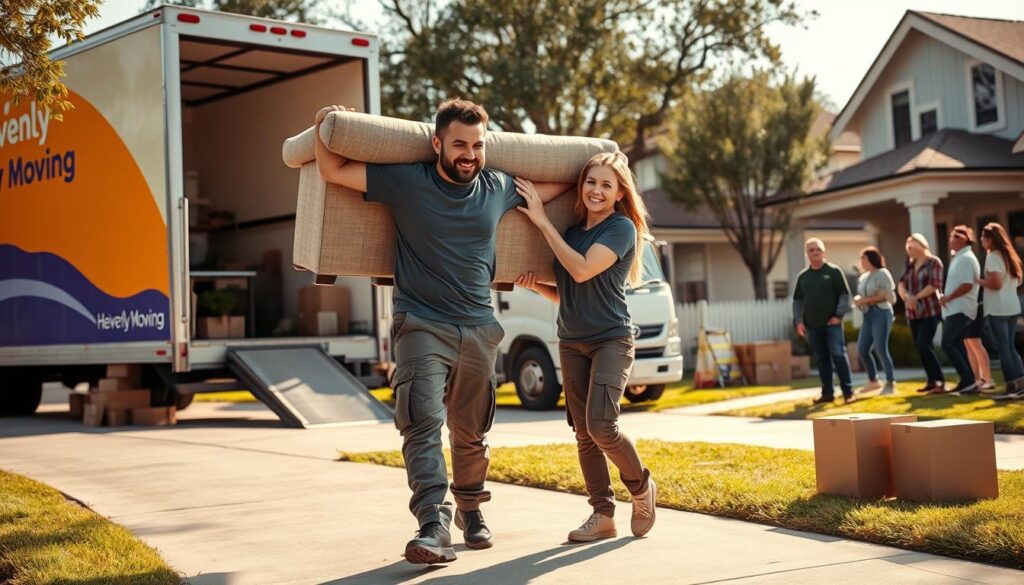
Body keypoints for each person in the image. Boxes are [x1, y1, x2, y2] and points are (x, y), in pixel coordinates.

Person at [314, 100, 568, 564]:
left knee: (471, 433)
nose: (470, 154)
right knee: (421, 423)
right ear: (437, 144)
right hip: (421, 323)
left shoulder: (498, 187)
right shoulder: (407, 181)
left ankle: (471, 510)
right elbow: (332, 169)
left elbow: (558, 182)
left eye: (477, 145)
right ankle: (434, 523)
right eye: (459, 145)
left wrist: (583, 177)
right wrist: (324, 124)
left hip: (479, 327)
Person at [514, 152, 657, 543]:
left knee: (601, 426)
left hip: (612, 338)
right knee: (582, 432)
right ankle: (603, 514)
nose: (596, 190)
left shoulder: (621, 228)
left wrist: (541, 219)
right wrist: (535, 286)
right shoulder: (573, 233)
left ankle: (641, 487)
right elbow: (571, 292)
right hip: (571, 341)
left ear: (618, 193)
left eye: (606, 184)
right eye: (591, 182)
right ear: (582, 187)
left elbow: (581, 269)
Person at [793, 238, 855, 405]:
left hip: (832, 324)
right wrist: (798, 321)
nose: (815, 252)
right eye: (811, 250)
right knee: (821, 359)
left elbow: (844, 294)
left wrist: (838, 315)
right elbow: (797, 300)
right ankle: (827, 393)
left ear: (823, 251)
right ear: (807, 254)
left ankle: (848, 392)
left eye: (818, 249)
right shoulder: (803, 276)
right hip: (812, 325)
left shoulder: (834, 271)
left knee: (838, 356)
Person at [977, 222, 1024, 399]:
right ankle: (1020, 384)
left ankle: (1011, 385)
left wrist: (978, 281)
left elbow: (996, 284)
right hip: (1012, 306)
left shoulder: (992, 257)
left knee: (1004, 347)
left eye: (983, 237)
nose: (981, 240)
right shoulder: (1010, 256)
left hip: (999, 309)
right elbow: (1018, 282)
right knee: (1010, 347)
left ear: (990, 239)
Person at [897, 233, 946, 393]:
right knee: (921, 346)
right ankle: (931, 381)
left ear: (920, 245)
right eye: (907, 246)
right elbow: (901, 283)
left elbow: (935, 285)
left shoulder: (934, 262)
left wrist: (915, 297)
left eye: (911, 246)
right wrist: (906, 297)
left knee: (924, 344)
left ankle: (939, 381)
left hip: (930, 311)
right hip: (913, 313)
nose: (908, 249)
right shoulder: (909, 264)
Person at [937, 225, 980, 395]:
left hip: (961, 309)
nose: (949, 240)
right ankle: (968, 381)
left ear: (962, 239)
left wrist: (948, 298)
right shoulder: (960, 257)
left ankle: (968, 380)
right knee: (955, 343)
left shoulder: (965, 258)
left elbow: (967, 284)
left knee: (947, 342)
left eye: (953, 237)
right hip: (956, 309)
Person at [853, 246, 896, 395]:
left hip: (881, 313)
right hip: (868, 315)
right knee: (862, 349)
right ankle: (873, 381)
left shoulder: (882, 273)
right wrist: (859, 301)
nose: (861, 261)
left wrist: (865, 300)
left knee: (880, 348)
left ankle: (890, 383)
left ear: (871, 258)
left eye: (863, 258)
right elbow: (865, 296)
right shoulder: (863, 277)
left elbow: (885, 295)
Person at [963, 290, 995, 393]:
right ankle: (977, 380)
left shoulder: (979, 273)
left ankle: (988, 380)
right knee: (968, 342)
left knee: (974, 341)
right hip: (966, 307)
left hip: (977, 305)